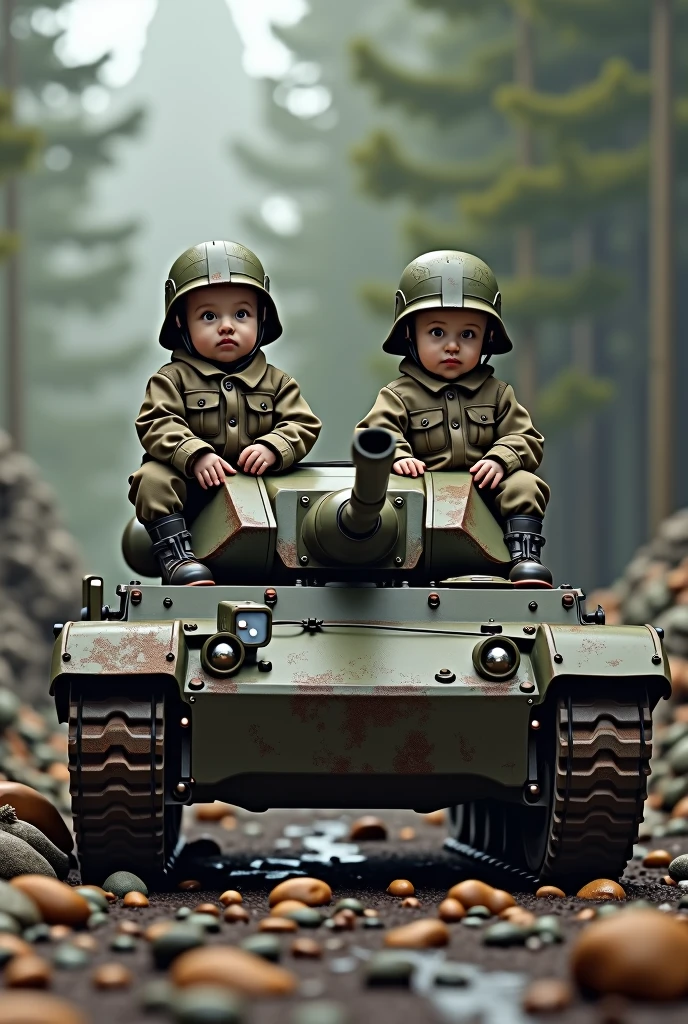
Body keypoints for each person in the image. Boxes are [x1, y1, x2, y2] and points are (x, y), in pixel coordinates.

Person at [129, 240, 321, 585]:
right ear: (180, 322)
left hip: (260, 485)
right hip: (193, 488)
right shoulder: (171, 380)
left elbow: (303, 423)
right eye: (208, 316)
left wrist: (273, 447)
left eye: (241, 314)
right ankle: (178, 559)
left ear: (261, 318)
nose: (227, 326)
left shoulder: (277, 382)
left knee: (308, 489)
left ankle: (290, 566)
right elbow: (157, 422)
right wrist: (195, 454)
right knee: (152, 480)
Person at [356, 250, 551, 584]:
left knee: (525, 484)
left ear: (488, 337)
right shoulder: (399, 395)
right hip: (420, 495)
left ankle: (523, 557)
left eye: (468, 335)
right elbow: (375, 435)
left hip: (485, 495)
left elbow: (528, 439)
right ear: (409, 336)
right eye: (436, 333)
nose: (452, 346)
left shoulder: (498, 394)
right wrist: (399, 458)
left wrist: (501, 460)